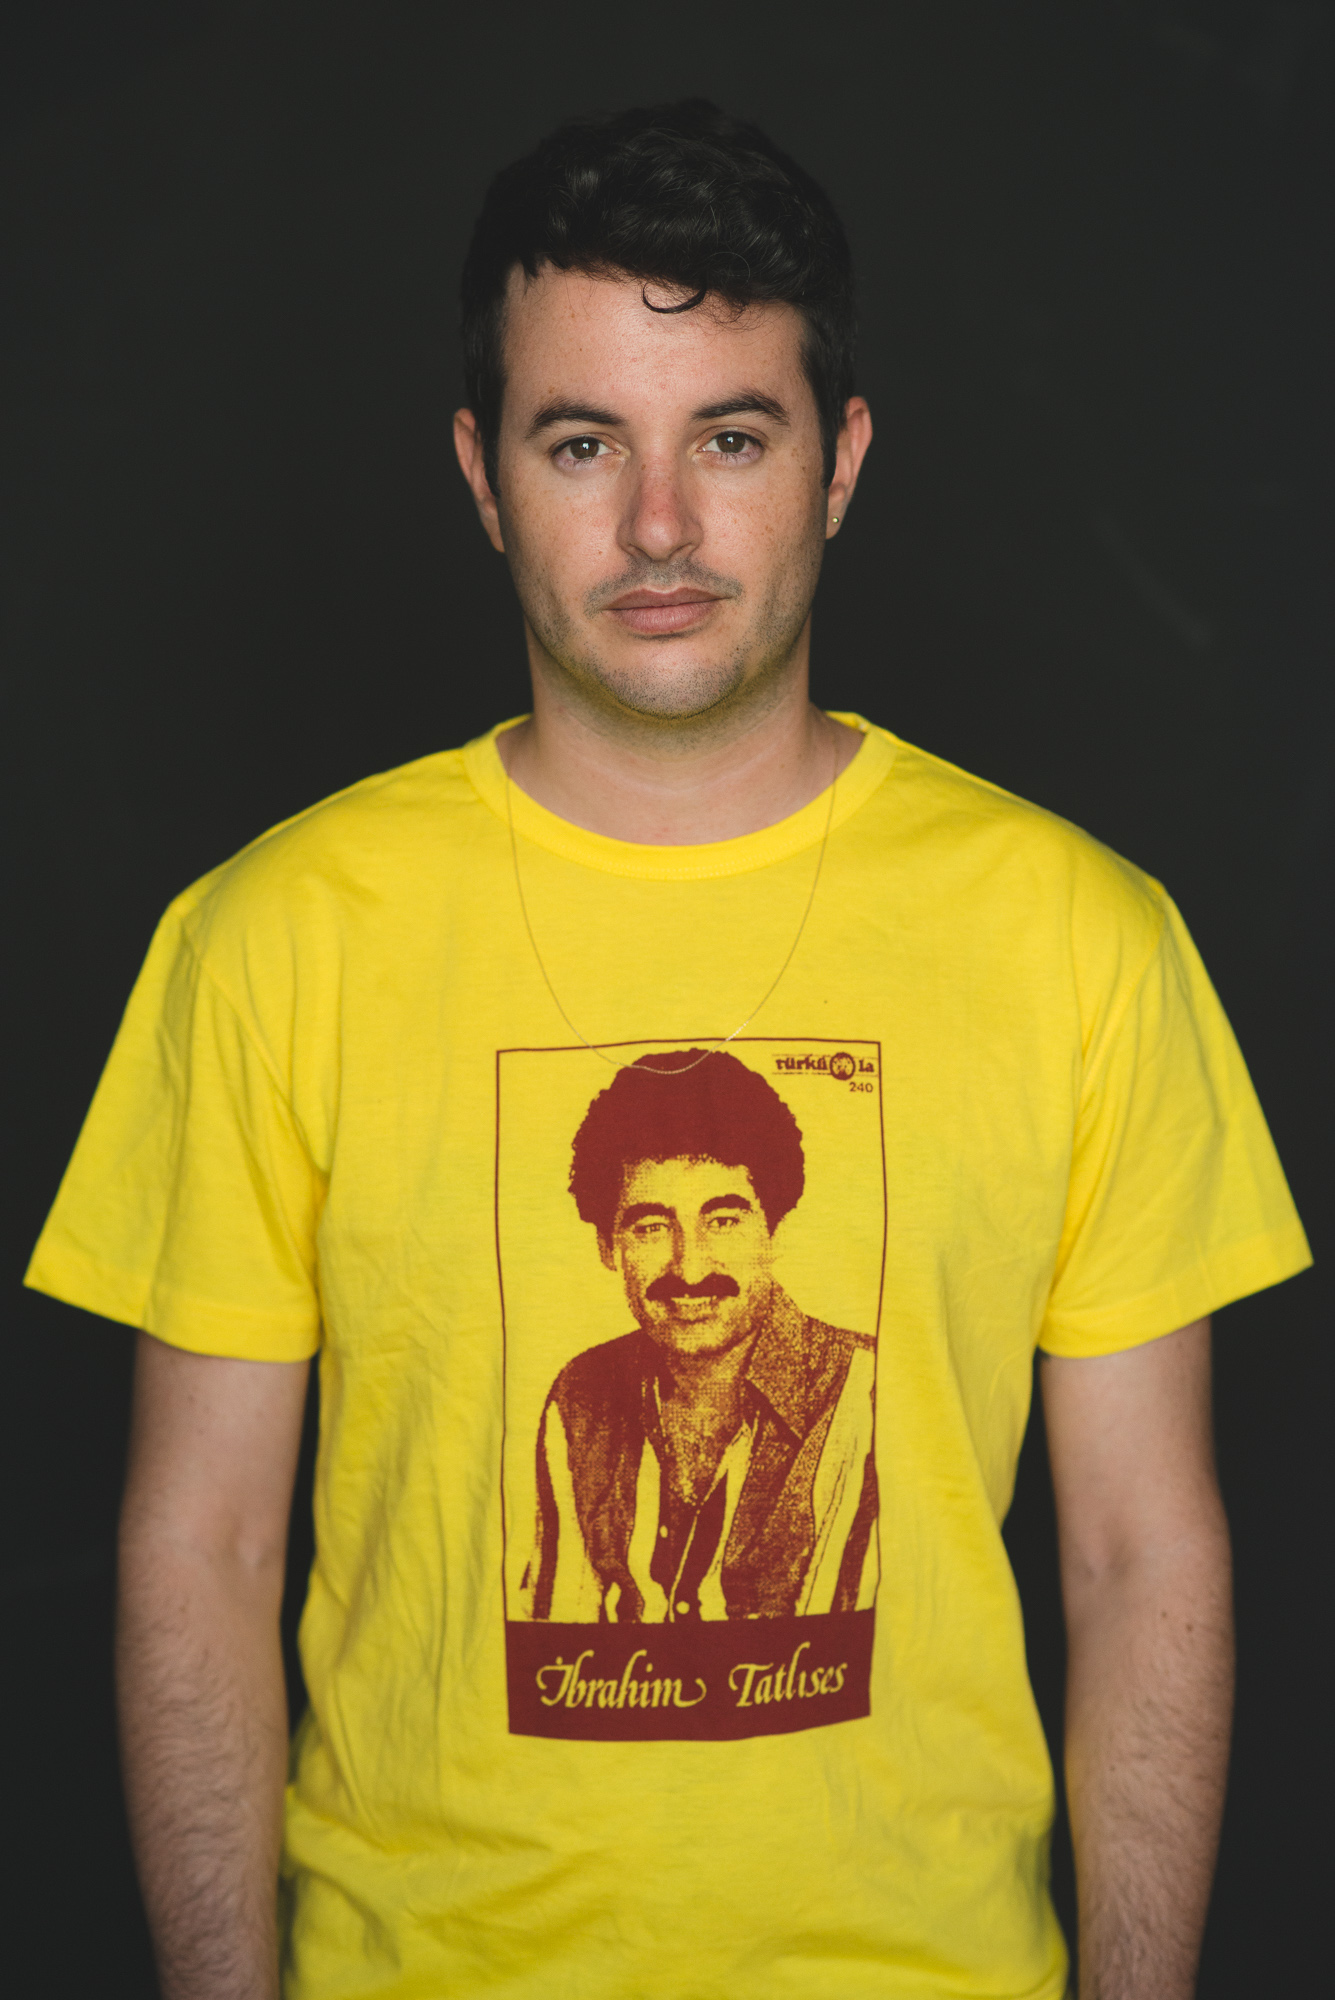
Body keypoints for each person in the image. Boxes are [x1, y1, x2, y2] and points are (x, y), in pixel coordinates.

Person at [25, 98, 1310, 2000]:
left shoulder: (1082, 941)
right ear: (481, 474)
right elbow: (198, 1549)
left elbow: (1141, 1559)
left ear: (838, 461)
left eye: (729, 437)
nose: (656, 526)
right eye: (581, 443)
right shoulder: (270, 941)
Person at [522, 1048, 878, 1629]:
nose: (689, 1268)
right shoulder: (582, 1394)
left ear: (773, 1233)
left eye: (723, 1221)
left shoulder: (865, 1391)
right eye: (651, 1227)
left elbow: (843, 1641)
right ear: (609, 1248)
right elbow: (560, 1629)